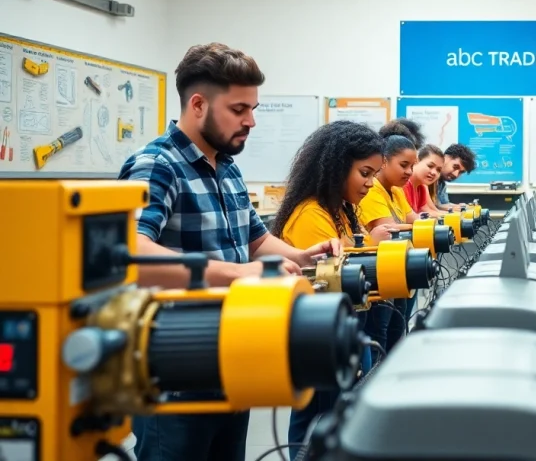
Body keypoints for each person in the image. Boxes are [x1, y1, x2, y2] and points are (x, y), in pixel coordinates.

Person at [119, 43, 341, 461]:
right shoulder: (158, 165)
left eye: (253, 109)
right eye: (239, 109)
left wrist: (305, 254)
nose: (251, 121)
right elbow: (131, 251)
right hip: (174, 370)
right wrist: (237, 274)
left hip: (233, 358)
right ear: (198, 104)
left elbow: (256, 240)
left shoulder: (226, 166)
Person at [271, 121, 394, 459]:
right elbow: (334, 277)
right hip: (321, 334)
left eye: (374, 174)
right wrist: (373, 248)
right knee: (318, 423)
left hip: (344, 327)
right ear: (339, 166)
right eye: (364, 173)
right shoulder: (310, 214)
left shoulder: (340, 210)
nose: (370, 183)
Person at [358, 122, 420, 359]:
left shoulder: (395, 191)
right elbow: (389, 229)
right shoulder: (373, 191)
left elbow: (413, 220)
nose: (409, 172)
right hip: (380, 275)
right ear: (384, 162)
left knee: (397, 327)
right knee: (380, 333)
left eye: (412, 166)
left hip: (398, 269)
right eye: (403, 165)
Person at [404, 144, 446, 216]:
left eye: (438, 170)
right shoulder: (403, 184)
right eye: (430, 166)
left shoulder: (422, 187)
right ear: (416, 161)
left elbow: (427, 211)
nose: (434, 173)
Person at [435, 143, 477, 210]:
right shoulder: (428, 178)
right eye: (455, 167)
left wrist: (458, 206)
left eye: (461, 172)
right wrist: (452, 208)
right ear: (445, 158)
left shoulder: (441, 184)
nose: (456, 174)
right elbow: (429, 208)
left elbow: (443, 204)